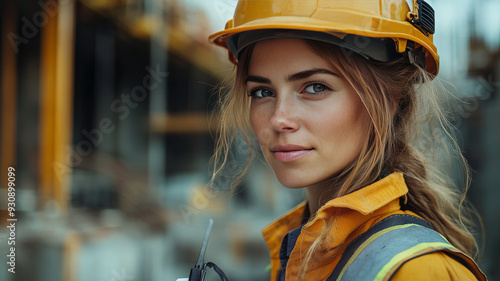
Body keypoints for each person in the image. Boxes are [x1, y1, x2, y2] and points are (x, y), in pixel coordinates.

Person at [208, 0, 487, 280]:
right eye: (261, 92)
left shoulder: (421, 272)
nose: (279, 119)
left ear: (388, 100)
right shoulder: (298, 250)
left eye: (315, 87)